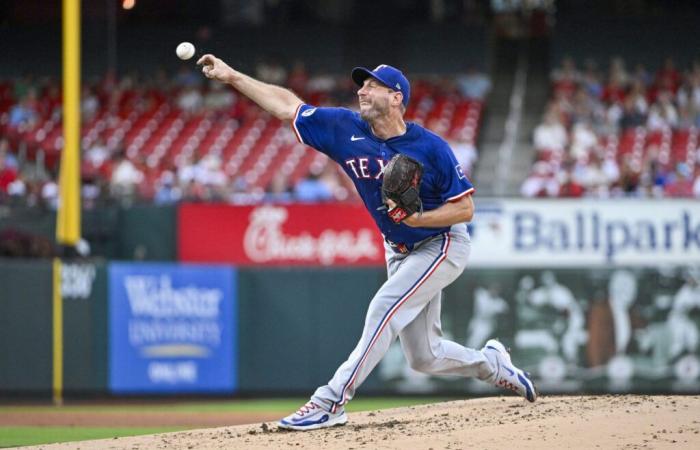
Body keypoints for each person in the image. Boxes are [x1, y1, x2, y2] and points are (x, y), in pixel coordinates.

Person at [197, 54, 537, 431]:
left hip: (442, 244)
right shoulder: (344, 128)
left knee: (383, 307)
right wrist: (232, 76)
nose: (363, 89)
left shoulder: (430, 147)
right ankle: (492, 364)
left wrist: (417, 218)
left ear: (396, 98)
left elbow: (466, 209)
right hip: (400, 250)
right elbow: (287, 107)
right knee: (424, 357)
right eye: (362, 84)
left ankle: (331, 401)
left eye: (373, 85)